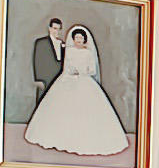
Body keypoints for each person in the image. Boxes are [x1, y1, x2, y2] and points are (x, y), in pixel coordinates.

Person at [22, 25, 129, 157]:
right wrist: (72, 72)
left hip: (85, 81)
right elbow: (66, 67)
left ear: (84, 40)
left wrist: (83, 72)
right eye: (76, 38)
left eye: (81, 38)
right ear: (73, 39)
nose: (78, 40)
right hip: (68, 80)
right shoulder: (70, 51)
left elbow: (92, 70)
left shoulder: (88, 53)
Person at [28, 17, 66, 105]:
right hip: (45, 79)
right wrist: (38, 79)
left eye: (59, 29)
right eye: (55, 28)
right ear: (50, 28)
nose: (57, 31)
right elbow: (37, 61)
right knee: (43, 103)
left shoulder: (63, 44)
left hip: (59, 80)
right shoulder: (41, 42)